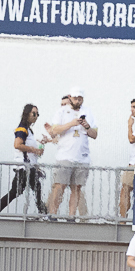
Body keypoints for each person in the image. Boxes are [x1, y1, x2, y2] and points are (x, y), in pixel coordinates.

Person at [44, 88, 97, 220]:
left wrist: (87, 126)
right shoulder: (61, 111)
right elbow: (55, 130)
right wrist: (71, 124)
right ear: (70, 97)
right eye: (75, 98)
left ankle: (71, 216)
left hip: (82, 157)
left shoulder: (88, 111)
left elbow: (95, 134)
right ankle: (53, 214)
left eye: (80, 98)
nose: (78, 101)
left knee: (77, 188)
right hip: (65, 156)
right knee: (59, 186)